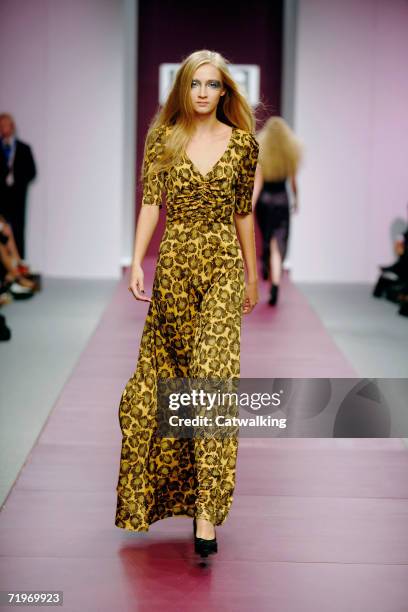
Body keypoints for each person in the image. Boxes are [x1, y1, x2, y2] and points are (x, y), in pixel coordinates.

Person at [114, 49, 259, 558]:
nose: (202, 92)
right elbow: (151, 203)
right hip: (174, 268)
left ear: (225, 92)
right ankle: (169, 497)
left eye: (212, 85)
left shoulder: (243, 145)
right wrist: (135, 262)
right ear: (182, 88)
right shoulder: (164, 140)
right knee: (170, 387)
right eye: (195, 83)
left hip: (222, 264)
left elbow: (243, 214)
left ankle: (206, 511)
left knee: (212, 382)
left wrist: (253, 274)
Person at [252, 116, 302, 305]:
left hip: (265, 201)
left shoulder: (262, 151)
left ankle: (266, 265)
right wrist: (297, 200)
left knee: (267, 238)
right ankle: (275, 282)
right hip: (282, 200)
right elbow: (294, 182)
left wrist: (251, 203)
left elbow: (258, 182)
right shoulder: (289, 152)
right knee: (278, 242)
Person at [0, 113, 37, 259]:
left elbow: (32, 172)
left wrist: (18, 182)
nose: (3, 129)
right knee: (2, 233)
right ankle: (5, 272)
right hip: (2, 198)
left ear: (12, 127)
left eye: (5, 125)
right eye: (1, 126)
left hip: (18, 198)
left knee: (18, 232)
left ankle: (20, 267)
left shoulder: (23, 148)